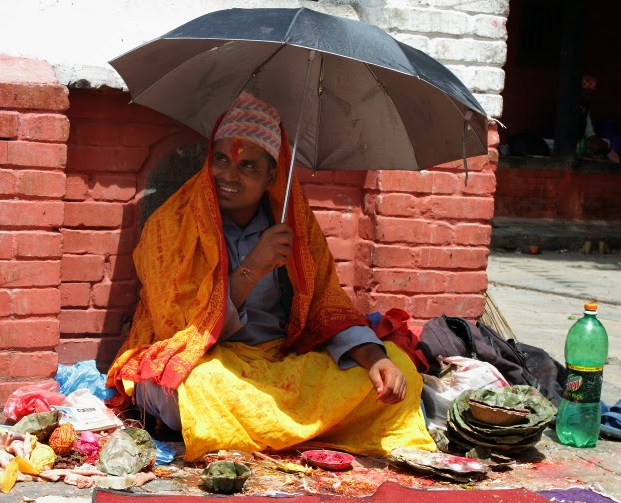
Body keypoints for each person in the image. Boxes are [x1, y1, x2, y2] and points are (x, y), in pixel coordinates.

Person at [106, 92, 435, 462]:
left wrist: (376, 359)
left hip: (278, 366)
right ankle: (289, 429)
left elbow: (327, 306)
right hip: (210, 363)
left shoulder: (293, 226)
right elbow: (181, 330)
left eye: (247, 167)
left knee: (398, 367)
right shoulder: (171, 225)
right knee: (188, 388)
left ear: (271, 176)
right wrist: (252, 268)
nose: (228, 176)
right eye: (220, 161)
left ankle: (257, 430)